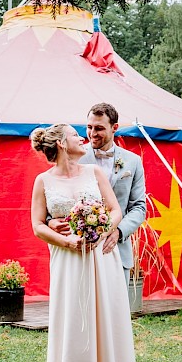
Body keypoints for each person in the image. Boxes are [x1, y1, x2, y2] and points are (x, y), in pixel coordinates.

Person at [25, 123, 141, 362]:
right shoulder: (43, 181)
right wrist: (67, 242)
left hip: (102, 258)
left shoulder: (94, 173)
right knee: (73, 328)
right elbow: (37, 225)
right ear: (62, 144)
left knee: (105, 325)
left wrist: (107, 227)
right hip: (68, 261)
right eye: (77, 134)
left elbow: (116, 210)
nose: (83, 138)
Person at [50, 102, 147, 295]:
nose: (92, 133)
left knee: (115, 316)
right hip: (81, 250)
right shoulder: (73, 155)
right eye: (89, 127)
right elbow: (54, 194)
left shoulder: (133, 161)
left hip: (116, 247)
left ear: (115, 128)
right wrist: (50, 221)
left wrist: (118, 231)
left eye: (99, 128)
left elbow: (139, 207)